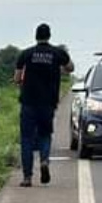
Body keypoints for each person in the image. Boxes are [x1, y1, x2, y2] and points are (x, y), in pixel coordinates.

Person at [15, 23, 74, 187]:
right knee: (45, 134)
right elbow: (70, 68)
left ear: (36, 36)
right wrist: (59, 66)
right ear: (49, 36)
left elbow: (17, 78)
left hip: (28, 102)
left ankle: (27, 177)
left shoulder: (26, 54)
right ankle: (44, 161)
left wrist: (23, 82)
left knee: (26, 139)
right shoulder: (57, 53)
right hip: (48, 102)